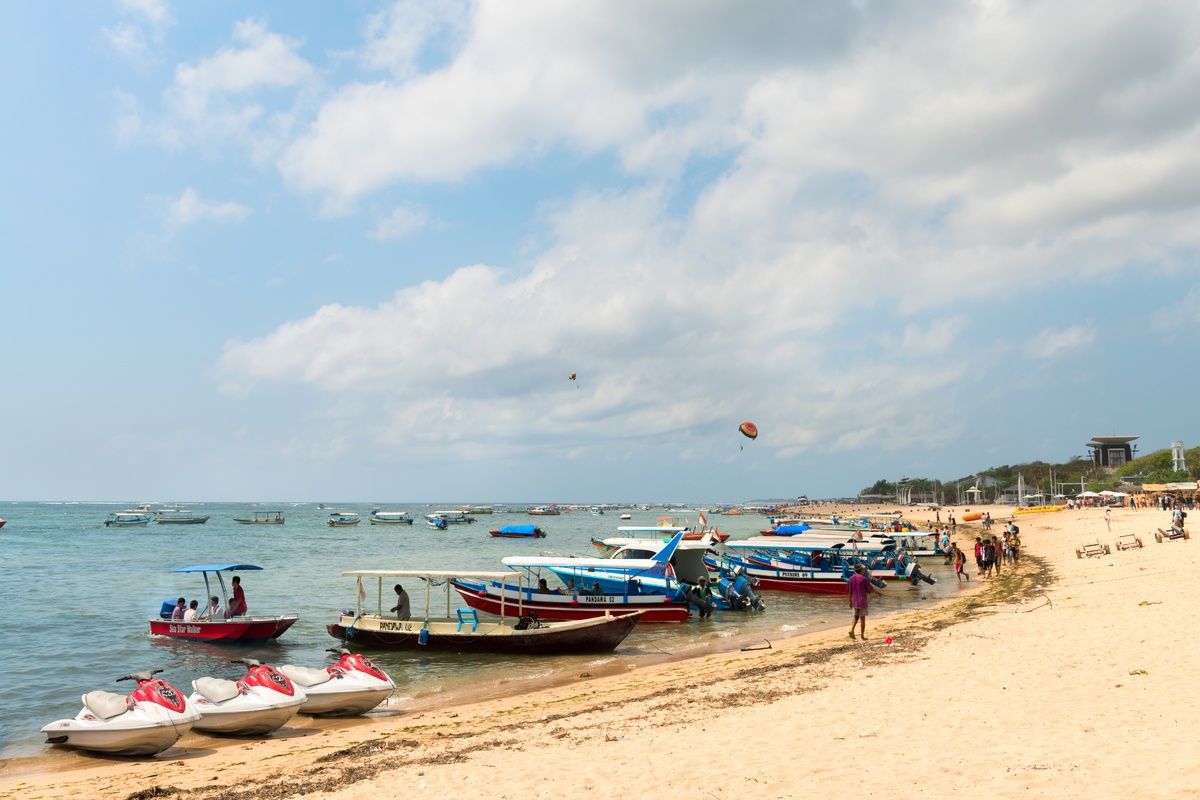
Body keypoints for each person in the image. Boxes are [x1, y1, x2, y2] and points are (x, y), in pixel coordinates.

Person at [847, 564, 880, 640]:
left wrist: (850, 601)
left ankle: (851, 629)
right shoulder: (863, 579)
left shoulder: (851, 579)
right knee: (862, 619)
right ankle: (862, 636)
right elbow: (870, 589)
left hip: (854, 601)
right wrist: (878, 593)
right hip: (862, 601)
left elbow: (850, 591)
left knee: (855, 617)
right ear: (861, 570)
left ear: (855, 571)